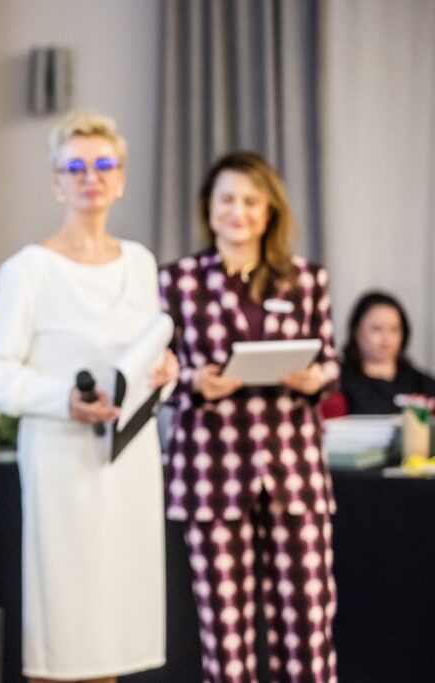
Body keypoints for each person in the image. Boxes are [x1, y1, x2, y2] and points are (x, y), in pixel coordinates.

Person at [0, 110, 177, 683]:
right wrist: (65, 399)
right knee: (67, 625)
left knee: (115, 625)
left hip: (131, 460)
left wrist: (166, 370)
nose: (93, 177)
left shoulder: (139, 262)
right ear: (57, 182)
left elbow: (145, 352)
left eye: (105, 164)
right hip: (65, 463)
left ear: (123, 178)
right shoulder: (30, 269)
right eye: (76, 167)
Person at [159, 151, 340, 683]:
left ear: (270, 211)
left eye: (250, 201)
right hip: (211, 471)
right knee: (226, 633)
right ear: (209, 208)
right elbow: (156, 373)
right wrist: (194, 379)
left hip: (294, 470)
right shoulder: (178, 281)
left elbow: (331, 360)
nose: (238, 212)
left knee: (309, 624)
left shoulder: (305, 280)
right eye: (227, 200)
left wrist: (316, 377)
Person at [322, 291, 435, 416]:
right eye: (376, 329)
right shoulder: (336, 380)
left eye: (394, 329)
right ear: (355, 330)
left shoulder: (421, 383)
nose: (386, 338)